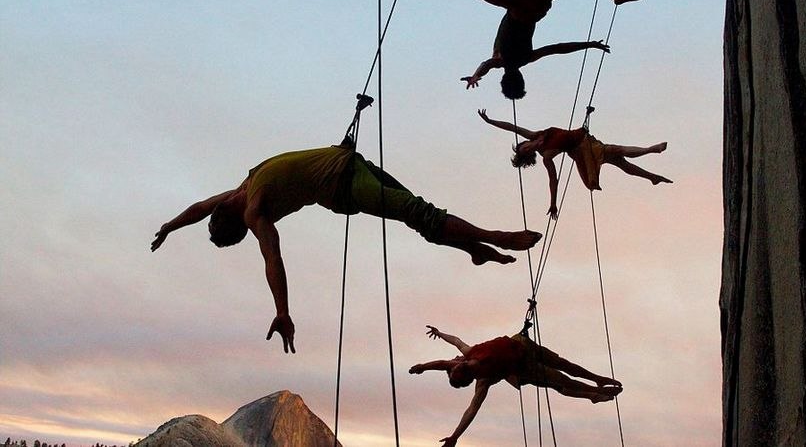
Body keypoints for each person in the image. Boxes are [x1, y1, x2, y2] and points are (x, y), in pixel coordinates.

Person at [150, 142, 541, 352]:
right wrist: (282, 311)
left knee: (418, 215)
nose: (213, 211)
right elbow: (273, 258)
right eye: (218, 221)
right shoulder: (252, 208)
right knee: (417, 211)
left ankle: (470, 249)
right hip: (346, 186)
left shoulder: (241, 191)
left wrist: (170, 225)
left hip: (352, 164)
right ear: (234, 222)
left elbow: (198, 208)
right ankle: (494, 237)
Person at [462, 0, 643, 99]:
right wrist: (477, 74)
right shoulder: (501, 60)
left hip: (537, 7)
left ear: (521, 78)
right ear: (503, 79)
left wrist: (590, 44)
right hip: (522, 5)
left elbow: (559, 48)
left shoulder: (527, 58)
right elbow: (487, 64)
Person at [409, 325, 621, 445]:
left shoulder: (468, 354)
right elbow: (471, 410)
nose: (452, 362)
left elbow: (451, 345)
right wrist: (455, 436)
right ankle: (594, 392)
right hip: (524, 366)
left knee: (564, 367)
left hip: (522, 345)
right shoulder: (482, 380)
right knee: (563, 381)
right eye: (453, 366)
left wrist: (423, 363)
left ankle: (597, 382)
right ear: (462, 371)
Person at [477, 108, 671, 218]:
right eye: (525, 152)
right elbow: (553, 181)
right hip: (582, 154)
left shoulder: (535, 134)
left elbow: (511, 127)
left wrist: (489, 121)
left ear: (525, 143)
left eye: (523, 147)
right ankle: (651, 167)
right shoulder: (545, 156)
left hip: (585, 140)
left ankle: (651, 157)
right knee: (620, 160)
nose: (526, 148)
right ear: (529, 155)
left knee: (618, 155)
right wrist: (553, 204)